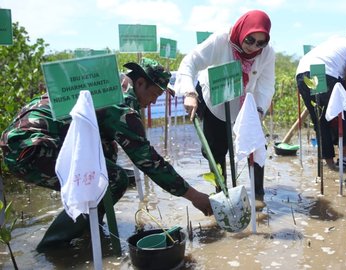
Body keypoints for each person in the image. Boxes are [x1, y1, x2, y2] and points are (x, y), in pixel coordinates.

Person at [0, 58, 213, 251]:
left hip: (21, 141)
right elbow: (147, 160)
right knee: (113, 179)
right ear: (139, 83)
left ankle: (88, 227)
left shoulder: (110, 87)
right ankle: (53, 247)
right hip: (30, 147)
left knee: (107, 158)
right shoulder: (120, 103)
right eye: (154, 94)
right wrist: (194, 196)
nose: (153, 102)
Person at [174, 10, 275, 200]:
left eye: (261, 42)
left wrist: (260, 110)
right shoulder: (222, 40)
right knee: (216, 149)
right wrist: (189, 93)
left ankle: (258, 196)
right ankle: (222, 194)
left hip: (246, 99)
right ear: (242, 31)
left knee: (254, 143)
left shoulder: (267, 54)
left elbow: (266, 85)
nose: (254, 47)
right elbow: (190, 62)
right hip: (215, 96)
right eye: (250, 40)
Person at [296, 34, 346, 168]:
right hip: (326, 74)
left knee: (320, 120)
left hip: (302, 73)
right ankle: (344, 159)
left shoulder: (339, 42)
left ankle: (330, 165)